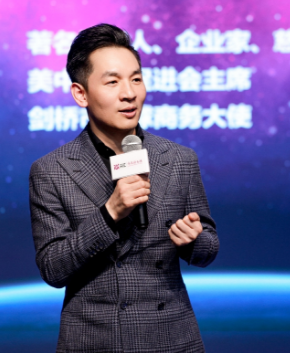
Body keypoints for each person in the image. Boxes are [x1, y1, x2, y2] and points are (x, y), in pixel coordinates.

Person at [29, 23, 219, 353]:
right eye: (113, 82)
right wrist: (109, 214)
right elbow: (53, 268)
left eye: (136, 79)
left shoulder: (178, 159)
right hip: (94, 341)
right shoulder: (52, 170)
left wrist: (194, 240)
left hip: (172, 338)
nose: (129, 93)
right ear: (81, 94)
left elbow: (208, 247)